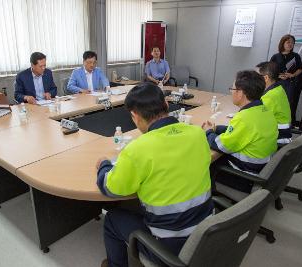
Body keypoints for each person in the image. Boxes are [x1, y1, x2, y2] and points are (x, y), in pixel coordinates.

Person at [96, 83, 212, 267]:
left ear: (134, 116)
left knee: (112, 219)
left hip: (169, 246)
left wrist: (103, 165)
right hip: (206, 233)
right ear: (166, 104)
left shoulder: (137, 149)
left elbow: (109, 188)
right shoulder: (198, 134)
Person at [202, 70, 278, 193]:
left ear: (241, 93)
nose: (231, 92)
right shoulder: (264, 110)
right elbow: (243, 132)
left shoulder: (244, 118)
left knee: (204, 161)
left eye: (232, 89)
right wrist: (217, 128)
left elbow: (221, 145)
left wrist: (208, 132)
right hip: (261, 168)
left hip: (244, 175)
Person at [256, 61, 292, 144]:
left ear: (266, 78)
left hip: (277, 138)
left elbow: (258, 121)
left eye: (256, 76)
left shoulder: (270, 97)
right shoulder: (278, 88)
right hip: (280, 133)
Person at [269, 34, 302, 104]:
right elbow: (270, 70)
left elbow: (300, 69)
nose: (290, 44)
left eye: (292, 43)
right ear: (283, 43)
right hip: (277, 83)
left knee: (287, 103)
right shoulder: (275, 56)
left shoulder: (296, 56)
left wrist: (292, 75)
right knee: (275, 102)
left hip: (290, 83)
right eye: (288, 42)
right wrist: (277, 76)